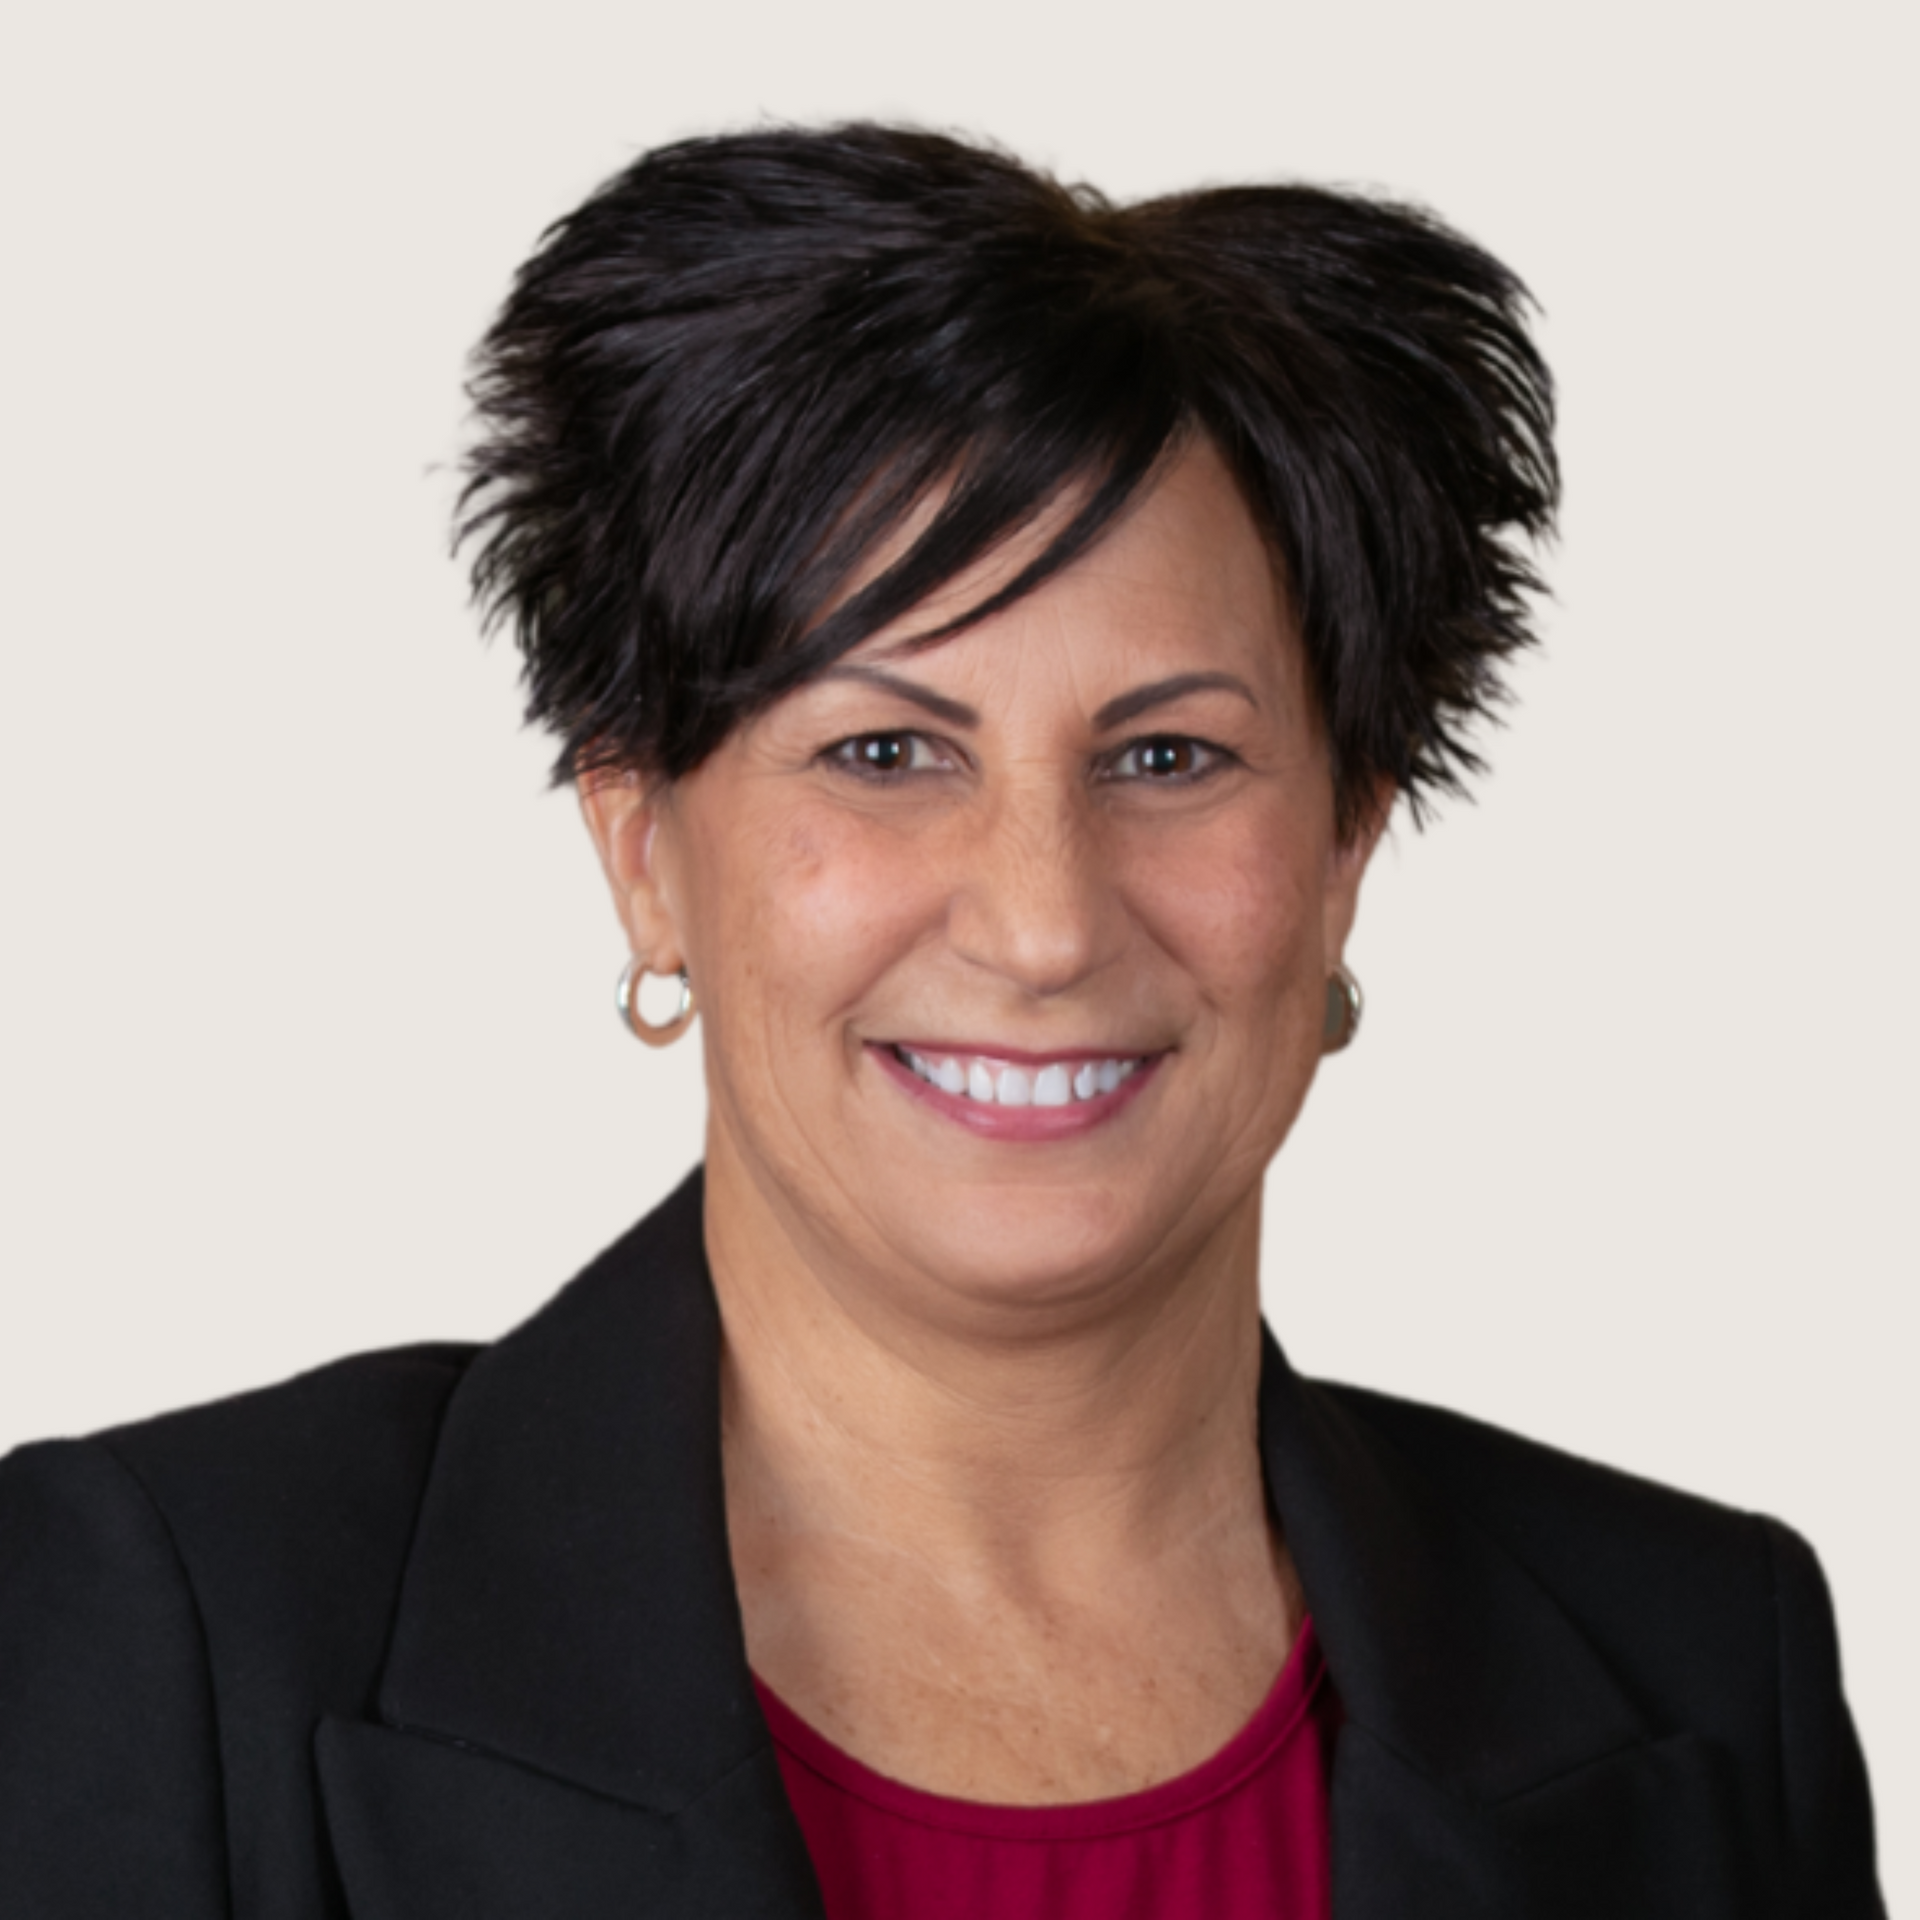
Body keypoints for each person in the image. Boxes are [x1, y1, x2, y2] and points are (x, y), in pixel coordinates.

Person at [0, 122, 1883, 1919]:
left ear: (1341, 852)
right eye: (887, 751)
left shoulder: (1705, 1669)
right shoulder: (174, 1626)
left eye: (1169, 754)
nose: (1047, 922)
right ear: (645, 847)